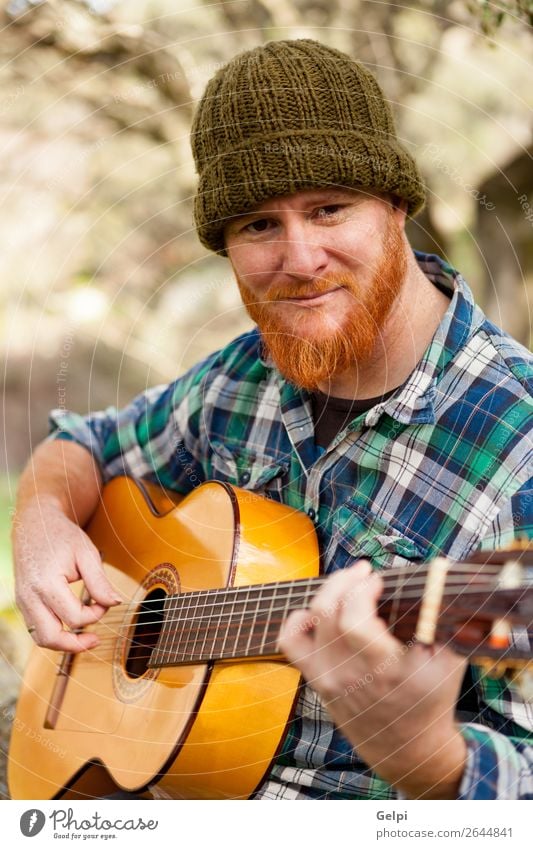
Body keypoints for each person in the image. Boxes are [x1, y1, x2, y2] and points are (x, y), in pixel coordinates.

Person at [12, 39, 533, 800]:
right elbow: (83, 444)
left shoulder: (515, 439)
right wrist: (42, 520)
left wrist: (429, 757)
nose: (300, 257)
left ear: (394, 206)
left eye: (328, 208)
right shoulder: (240, 376)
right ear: (223, 245)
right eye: (258, 225)